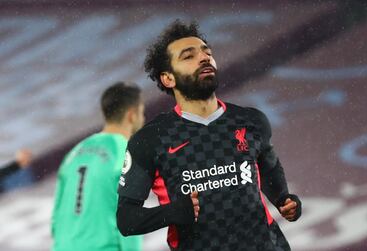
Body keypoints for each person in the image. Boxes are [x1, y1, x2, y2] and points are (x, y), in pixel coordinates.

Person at [116, 20, 302, 251]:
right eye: (188, 56)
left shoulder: (251, 121)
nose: (204, 58)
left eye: (207, 52)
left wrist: (285, 200)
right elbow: (127, 220)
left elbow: (269, 169)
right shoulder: (151, 139)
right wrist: (172, 213)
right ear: (168, 78)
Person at [52, 82, 144, 251]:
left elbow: (56, 218)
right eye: (142, 112)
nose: (143, 118)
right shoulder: (126, 153)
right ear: (132, 115)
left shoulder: (74, 153)